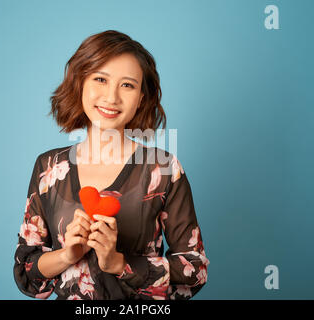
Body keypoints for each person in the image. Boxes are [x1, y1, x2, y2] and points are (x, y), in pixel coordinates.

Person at [13, 30, 209, 300]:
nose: (112, 97)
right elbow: (27, 272)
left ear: (141, 97)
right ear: (80, 83)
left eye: (127, 85)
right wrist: (67, 255)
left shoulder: (164, 168)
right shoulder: (48, 166)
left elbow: (195, 270)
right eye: (100, 79)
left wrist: (118, 263)